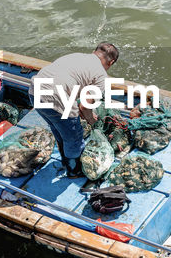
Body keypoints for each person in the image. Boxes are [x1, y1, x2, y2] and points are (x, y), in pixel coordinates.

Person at [32, 43, 119, 177]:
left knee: (57, 127)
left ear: (94, 52)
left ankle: (65, 161)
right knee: (74, 137)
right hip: (57, 96)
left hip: (34, 91)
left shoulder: (75, 56)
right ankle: (74, 170)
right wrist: (90, 119)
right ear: (111, 62)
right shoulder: (101, 75)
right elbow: (84, 106)